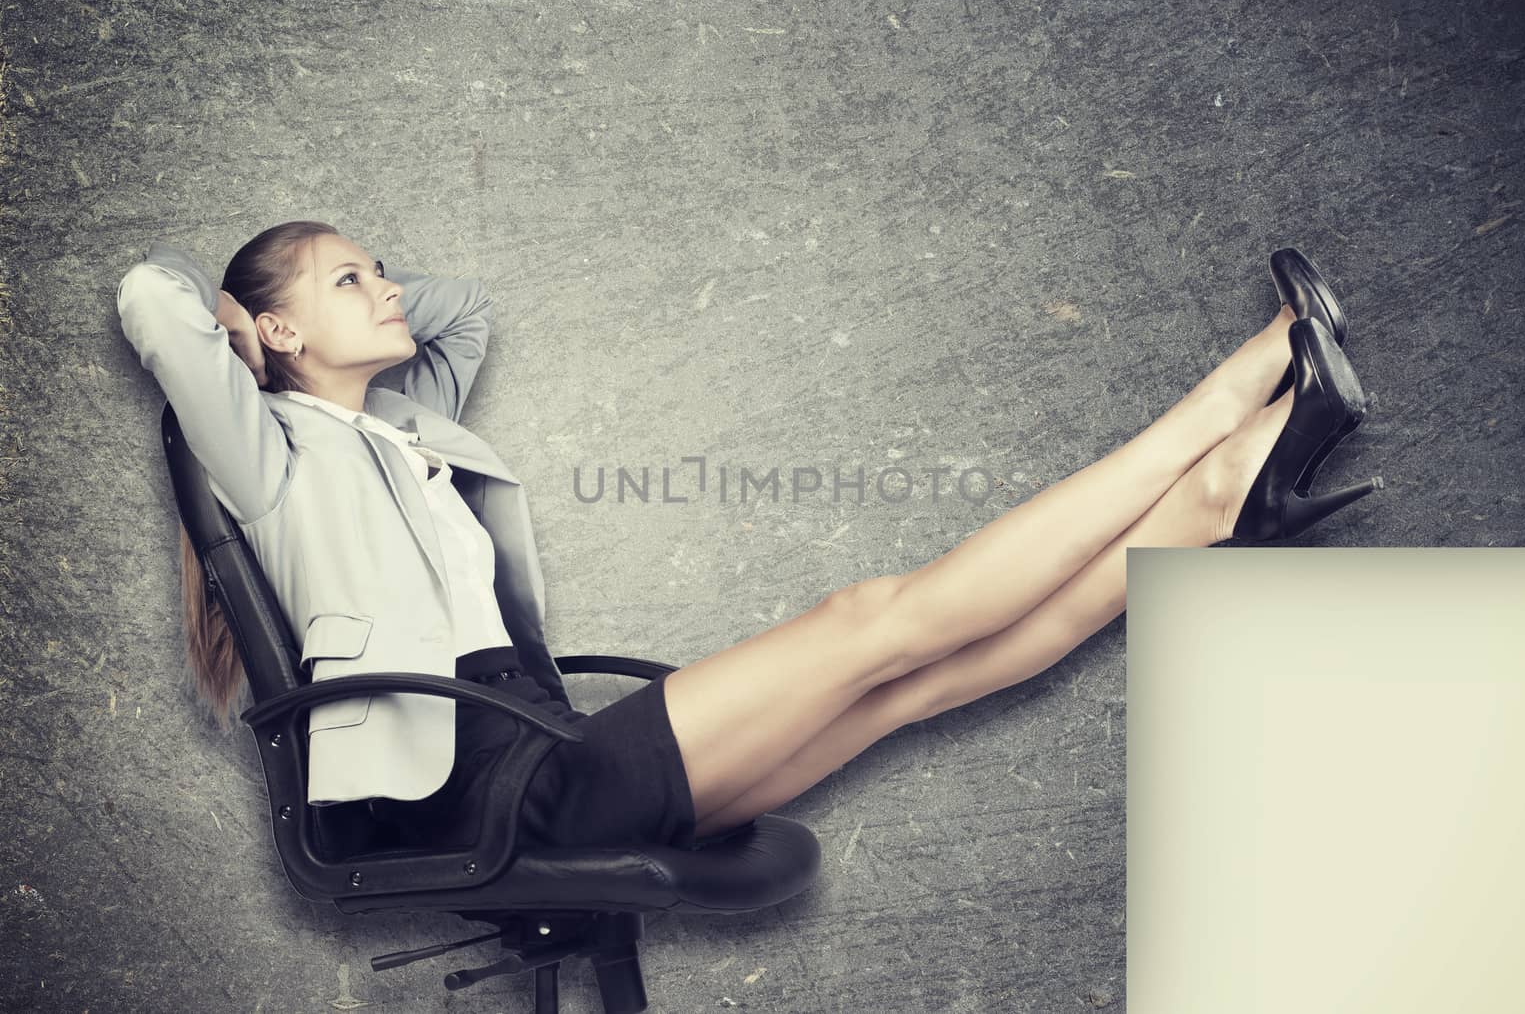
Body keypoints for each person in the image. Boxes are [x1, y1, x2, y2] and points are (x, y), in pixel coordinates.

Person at [116, 221, 1383, 853]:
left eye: (374, 265)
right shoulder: (267, 453)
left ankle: (1214, 512)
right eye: (350, 280)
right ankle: (1230, 406)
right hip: (475, 785)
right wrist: (240, 328)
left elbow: (466, 313)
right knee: (868, 622)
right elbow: (147, 300)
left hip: (525, 740)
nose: (386, 286)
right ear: (273, 336)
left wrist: (339, 292)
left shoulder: (408, 427)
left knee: (907, 683)